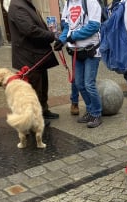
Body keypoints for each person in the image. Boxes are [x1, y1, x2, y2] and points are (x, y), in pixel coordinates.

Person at [8, 0, 59, 124]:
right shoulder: (17, 6)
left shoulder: (25, 4)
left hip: (37, 54)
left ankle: (44, 109)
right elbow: (30, 30)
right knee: (34, 88)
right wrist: (51, 36)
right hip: (28, 56)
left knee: (43, 85)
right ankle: (35, 118)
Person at [56, 0, 103, 128]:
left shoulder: (91, 2)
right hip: (77, 51)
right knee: (79, 83)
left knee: (89, 84)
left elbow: (94, 25)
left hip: (91, 50)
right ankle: (90, 110)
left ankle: (97, 113)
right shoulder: (68, 3)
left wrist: (74, 36)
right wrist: (62, 40)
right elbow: (67, 26)